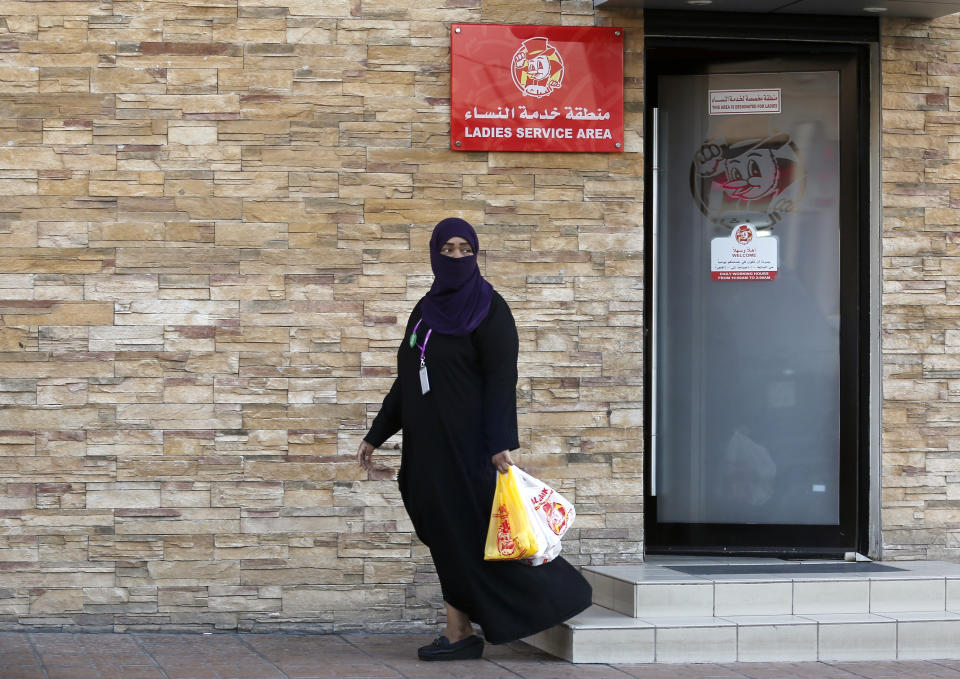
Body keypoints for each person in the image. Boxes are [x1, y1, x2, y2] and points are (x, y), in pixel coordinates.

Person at [356, 217, 593, 661]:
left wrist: (499, 443)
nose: (458, 257)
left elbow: (501, 380)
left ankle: (550, 599)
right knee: (446, 537)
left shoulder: (490, 308)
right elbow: (407, 381)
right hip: (427, 453)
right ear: (434, 254)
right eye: (449, 249)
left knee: (476, 537)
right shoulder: (424, 312)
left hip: (469, 450)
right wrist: (377, 434)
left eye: (467, 249)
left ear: (477, 254)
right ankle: (459, 630)